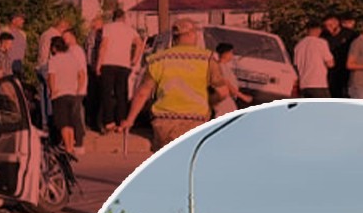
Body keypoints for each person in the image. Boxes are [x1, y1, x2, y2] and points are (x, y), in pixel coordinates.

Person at [118, 18, 227, 150]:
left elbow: (143, 93)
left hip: (164, 123)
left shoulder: (158, 59)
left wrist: (130, 120)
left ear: (174, 37)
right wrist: (209, 102)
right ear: (193, 34)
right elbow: (222, 92)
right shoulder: (207, 59)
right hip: (195, 120)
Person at [95, 8, 143, 133]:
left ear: (113, 17)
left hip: (108, 63)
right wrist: (134, 59)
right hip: (124, 64)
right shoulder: (130, 30)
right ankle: (122, 121)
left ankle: (109, 121)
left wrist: (98, 63)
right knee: (121, 93)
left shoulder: (108, 28)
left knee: (107, 93)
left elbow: (104, 45)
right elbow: (139, 43)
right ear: (124, 18)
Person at [46, 36, 85, 152]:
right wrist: (78, 88)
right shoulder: (72, 58)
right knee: (70, 120)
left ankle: (67, 146)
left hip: (59, 94)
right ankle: (71, 145)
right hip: (72, 93)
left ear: (54, 48)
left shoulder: (54, 60)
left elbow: (51, 76)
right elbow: (82, 74)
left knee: (63, 122)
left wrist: (52, 90)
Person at [63, 30, 89, 152]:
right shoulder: (71, 50)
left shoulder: (76, 51)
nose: (64, 40)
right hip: (72, 87)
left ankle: (79, 142)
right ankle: (74, 141)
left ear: (73, 37)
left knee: (75, 115)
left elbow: (80, 72)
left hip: (76, 88)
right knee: (73, 114)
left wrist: (79, 88)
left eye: (66, 37)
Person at [294, 21, 334, 98]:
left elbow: (296, 65)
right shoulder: (321, 43)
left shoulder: (299, 45)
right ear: (319, 30)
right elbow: (330, 63)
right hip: (318, 84)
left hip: (304, 85)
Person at [213, 43, 252, 116]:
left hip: (228, 99)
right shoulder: (221, 67)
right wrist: (243, 96)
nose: (232, 55)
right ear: (225, 54)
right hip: (224, 100)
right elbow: (227, 84)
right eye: (231, 53)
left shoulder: (225, 67)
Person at [321, 14, 355, 98]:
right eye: (326, 26)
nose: (329, 28)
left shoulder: (350, 34)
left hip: (347, 71)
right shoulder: (324, 37)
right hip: (332, 73)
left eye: (331, 25)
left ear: (337, 23)